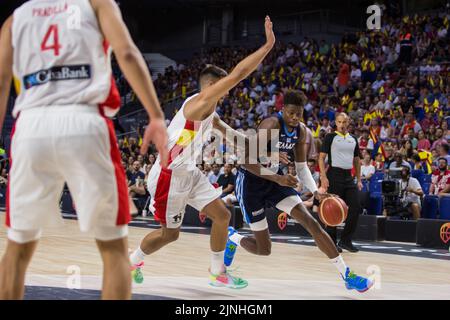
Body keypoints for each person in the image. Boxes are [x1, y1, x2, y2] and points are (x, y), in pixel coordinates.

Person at [0, 0, 169, 300]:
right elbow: (127, 52)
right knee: (113, 247)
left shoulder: (15, 19)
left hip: (30, 127)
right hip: (85, 121)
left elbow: (2, 83)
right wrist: (156, 115)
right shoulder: (97, 4)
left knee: (18, 247)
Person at [129, 17, 291, 289]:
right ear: (210, 87)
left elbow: (237, 138)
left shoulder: (209, 112)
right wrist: (267, 46)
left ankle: (218, 272)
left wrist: (268, 152)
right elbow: (238, 75)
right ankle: (132, 261)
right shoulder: (200, 103)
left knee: (222, 216)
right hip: (169, 176)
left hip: (188, 172)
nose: (226, 92)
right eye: (222, 86)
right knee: (170, 235)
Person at [219, 91, 373, 293]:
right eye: (291, 113)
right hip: (251, 185)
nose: (294, 118)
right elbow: (247, 161)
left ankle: (347, 276)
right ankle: (234, 238)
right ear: (283, 110)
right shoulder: (271, 124)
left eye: (298, 114)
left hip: (276, 181)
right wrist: (278, 177)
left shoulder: (301, 132)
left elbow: (301, 167)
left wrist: (316, 191)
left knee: (312, 223)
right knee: (263, 249)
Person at [319, 113, 363, 253]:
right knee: (332, 209)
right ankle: (331, 242)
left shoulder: (353, 139)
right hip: (334, 175)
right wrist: (324, 177)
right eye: (339, 122)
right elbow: (321, 158)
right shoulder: (330, 137)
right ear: (336, 123)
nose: (342, 124)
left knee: (356, 206)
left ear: (348, 122)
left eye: (344, 121)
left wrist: (359, 179)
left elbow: (356, 160)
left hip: (348, 176)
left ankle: (345, 241)